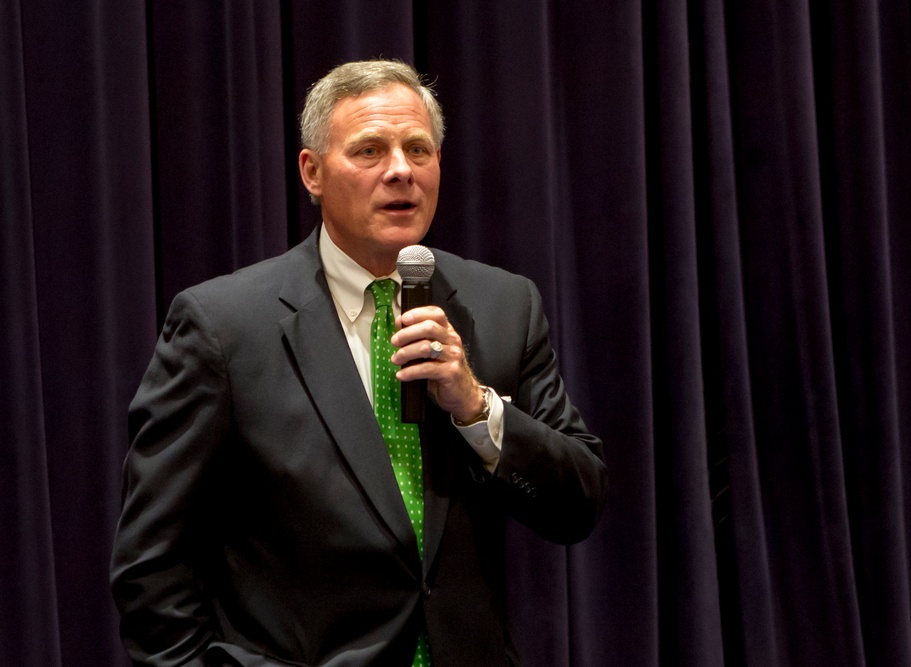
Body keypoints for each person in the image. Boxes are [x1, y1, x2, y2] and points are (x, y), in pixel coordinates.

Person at [110, 59, 607, 667]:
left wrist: (479, 409)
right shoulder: (223, 327)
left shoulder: (502, 305)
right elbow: (151, 565)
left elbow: (578, 501)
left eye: (418, 149)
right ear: (312, 172)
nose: (400, 171)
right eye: (370, 151)